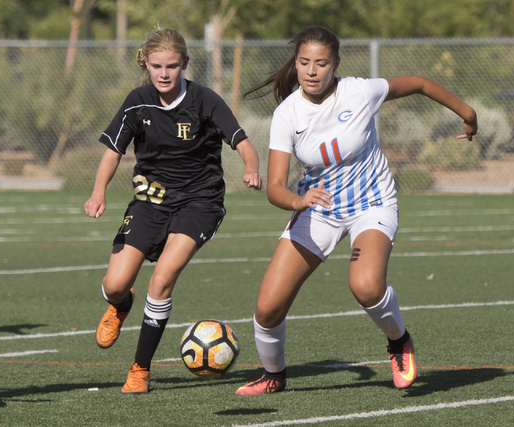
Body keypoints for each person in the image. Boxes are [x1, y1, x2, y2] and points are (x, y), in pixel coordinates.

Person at [235, 25, 478, 395]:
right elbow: (275, 188)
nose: (311, 71)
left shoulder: (359, 91)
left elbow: (419, 83)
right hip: (319, 209)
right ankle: (273, 375)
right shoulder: (287, 114)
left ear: (336, 64)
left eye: (321, 63)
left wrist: (468, 112)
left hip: (372, 204)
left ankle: (399, 342)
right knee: (267, 309)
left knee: (365, 286)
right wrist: (298, 201)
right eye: (304, 63)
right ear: (296, 64)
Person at [84, 28, 262, 395]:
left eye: (171, 66)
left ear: (184, 64)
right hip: (149, 201)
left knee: (162, 279)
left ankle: (140, 369)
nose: (164, 73)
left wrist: (251, 167)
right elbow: (113, 151)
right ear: (145, 64)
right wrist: (98, 191)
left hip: (200, 202)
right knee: (115, 284)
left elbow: (242, 139)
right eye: (156, 66)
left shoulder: (204, 100)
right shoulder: (137, 101)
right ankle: (121, 304)